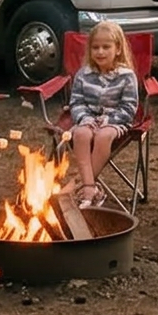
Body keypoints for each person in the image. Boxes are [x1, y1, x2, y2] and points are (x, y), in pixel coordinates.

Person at [66, 20, 142, 210]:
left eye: (106, 47)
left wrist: (107, 120)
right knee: (80, 134)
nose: (100, 52)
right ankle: (91, 188)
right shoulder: (83, 74)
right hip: (87, 120)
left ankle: (83, 186)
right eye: (96, 47)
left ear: (118, 49)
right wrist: (86, 119)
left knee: (103, 136)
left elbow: (129, 107)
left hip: (116, 122)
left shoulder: (126, 76)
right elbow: (76, 102)